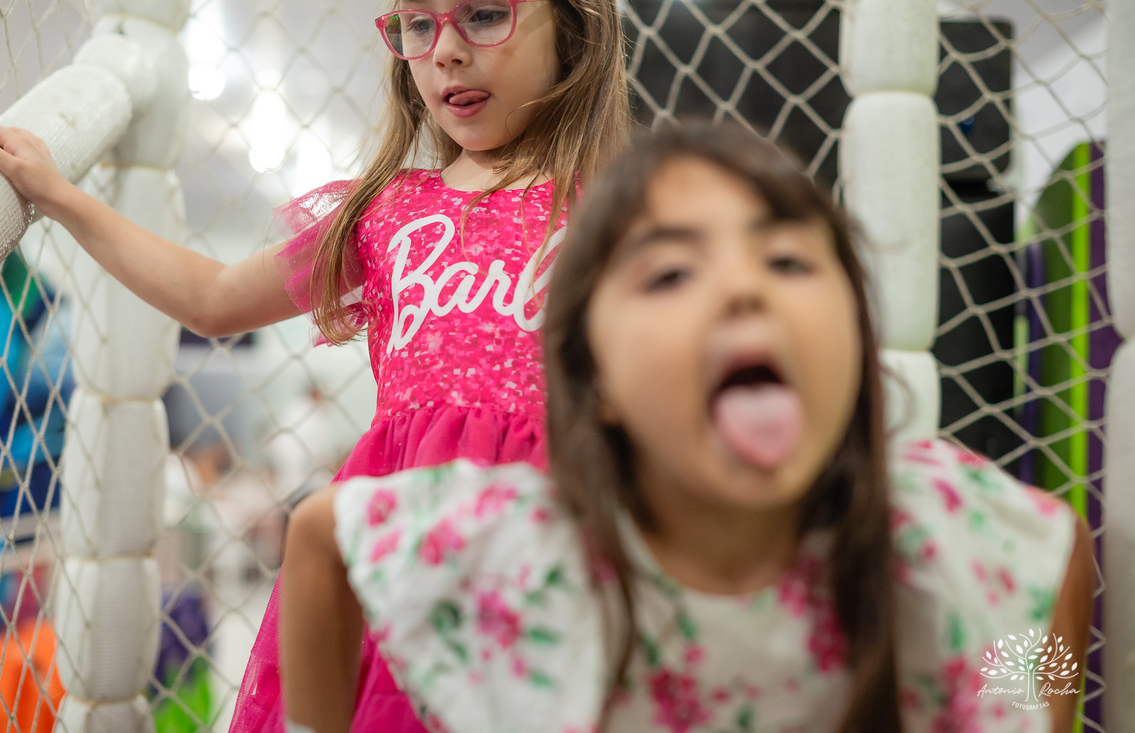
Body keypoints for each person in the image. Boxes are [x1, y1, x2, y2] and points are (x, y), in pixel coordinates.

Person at [0, 0, 629, 728]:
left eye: (485, 14)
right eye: (418, 24)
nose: (445, 49)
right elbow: (211, 296)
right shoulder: (386, 213)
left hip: (546, 552)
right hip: (387, 563)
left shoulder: (614, 214)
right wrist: (63, 198)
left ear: (575, 26)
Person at [280, 122, 1095, 733]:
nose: (743, 290)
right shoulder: (523, 545)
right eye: (671, 271)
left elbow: (1056, 553)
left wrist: (1025, 706)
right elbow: (323, 539)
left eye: (788, 261)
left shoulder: (930, 525)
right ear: (594, 379)